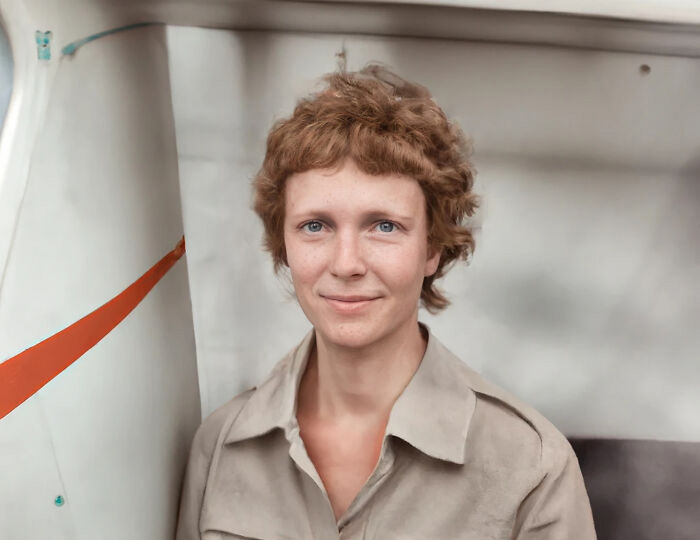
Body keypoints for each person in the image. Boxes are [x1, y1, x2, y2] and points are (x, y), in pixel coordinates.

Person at [175, 64, 597, 539]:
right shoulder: (221, 446)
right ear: (284, 244)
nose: (346, 263)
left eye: (384, 226)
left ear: (432, 247)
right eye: (315, 225)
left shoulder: (531, 468)